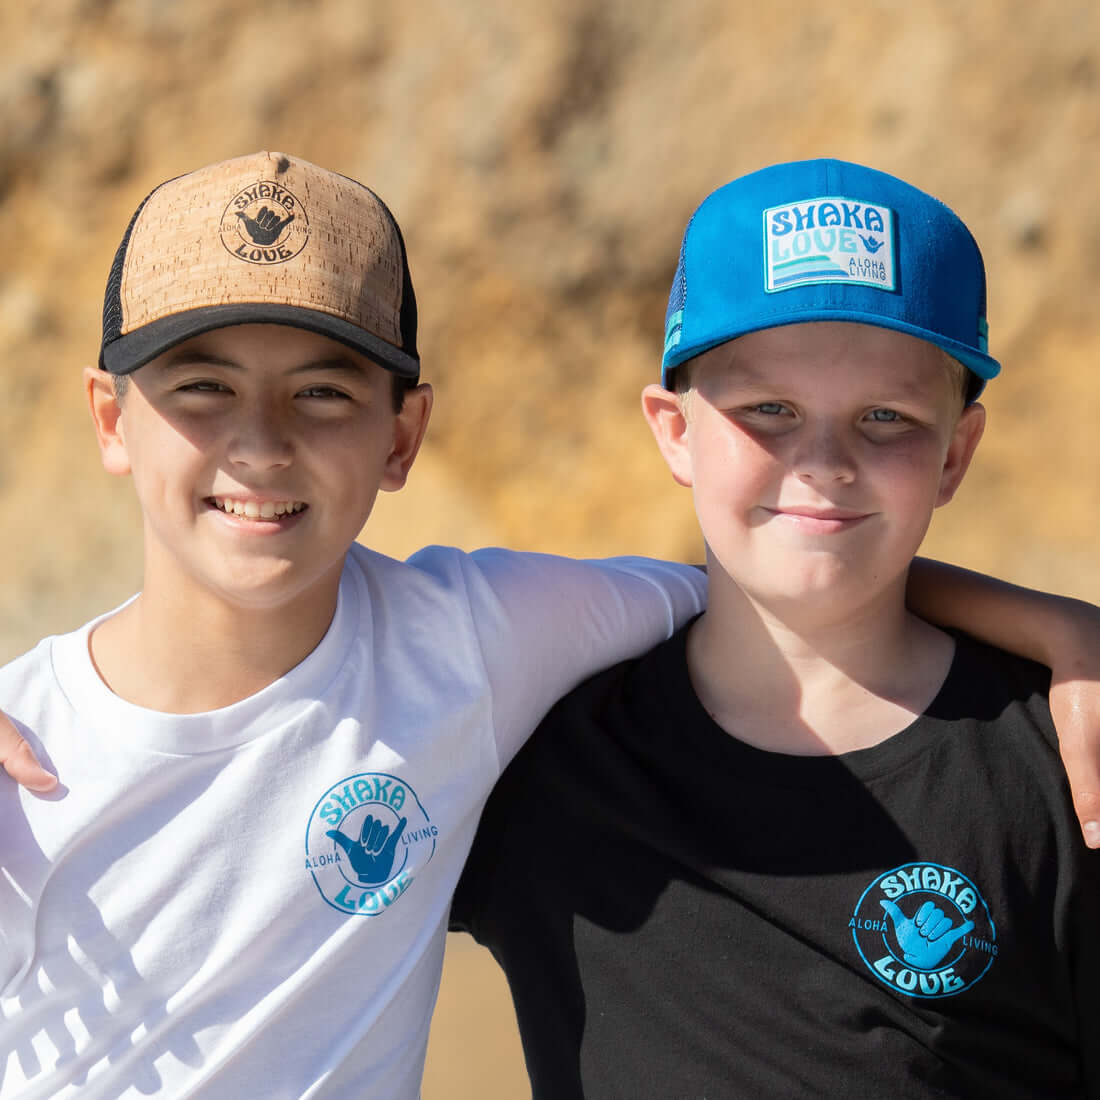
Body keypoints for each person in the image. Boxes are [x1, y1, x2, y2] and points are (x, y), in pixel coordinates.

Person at [0, 153, 1097, 1098]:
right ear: (110, 417)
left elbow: (783, 568)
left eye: (323, 393)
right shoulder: (25, 746)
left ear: (402, 434)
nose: (258, 443)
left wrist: (1063, 632)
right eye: (199, 386)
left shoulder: (483, 648)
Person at [451, 159, 1100, 1098]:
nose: (825, 463)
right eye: (770, 411)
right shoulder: (542, 760)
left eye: (887, 417)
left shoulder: (1064, 770)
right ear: (674, 431)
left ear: (957, 453)